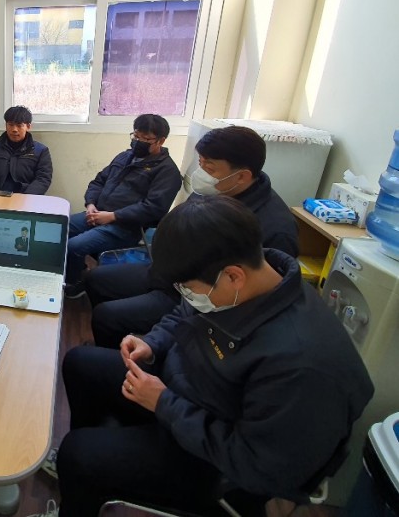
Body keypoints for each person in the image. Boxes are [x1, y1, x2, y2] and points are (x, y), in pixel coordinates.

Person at [47, 196, 372, 517]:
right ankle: (96, 472)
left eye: (187, 287)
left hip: (216, 466)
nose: (186, 295)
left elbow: (256, 466)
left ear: (234, 276)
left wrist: (163, 403)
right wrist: (152, 342)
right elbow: (184, 312)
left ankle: (88, 471)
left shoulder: (301, 365)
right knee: (80, 364)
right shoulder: (244, 283)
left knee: (77, 454)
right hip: (187, 396)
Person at [87, 125, 299, 347]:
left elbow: (254, 301)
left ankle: (128, 358)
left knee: (107, 316)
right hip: (168, 273)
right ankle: (120, 346)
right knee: (96, 279)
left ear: (241, 176)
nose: (201, 173)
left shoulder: (275, 228)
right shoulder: (215, 189)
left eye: (210, 167)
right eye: (201, 163)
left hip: (195, 296)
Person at [64, 114, 181, 293]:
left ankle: (75, 285)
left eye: (145, 139)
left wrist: (113, 216)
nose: (138, 142)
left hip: (125, 227)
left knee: (73, 246)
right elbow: (98, 181)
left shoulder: (167, 172)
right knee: (58, 228)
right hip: (97, 213)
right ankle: (75, 270)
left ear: (161, 141)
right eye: (136, 136)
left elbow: (153, 208)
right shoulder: (125, 156)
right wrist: (91, 204)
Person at [0, 105, 52, 195]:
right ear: (6, 125)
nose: (14, 129)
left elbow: (43, 179)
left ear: (28, 126)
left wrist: (26, 197)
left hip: (27, 198)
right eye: (10, 125)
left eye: (19, 125)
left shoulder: (41, 151)